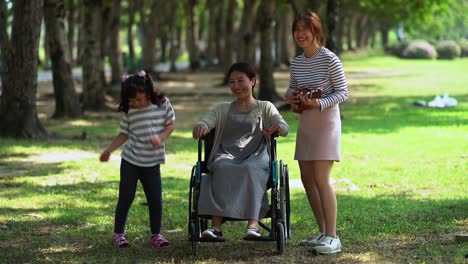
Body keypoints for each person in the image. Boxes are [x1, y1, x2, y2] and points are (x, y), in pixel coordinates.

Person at [192, 62, 289, 240]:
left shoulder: (265, 107)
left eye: (240, 80)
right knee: (220, 167)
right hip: (226, 154)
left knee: (251, 169)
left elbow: (284, 127)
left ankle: (253, 226)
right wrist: (201, 126)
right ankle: (215, 227)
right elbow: (205, 122)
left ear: (253, 81)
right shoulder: (222, 109)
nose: (236, 86)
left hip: (256, 155)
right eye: (232, 82)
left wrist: (278, 127)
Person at [285, 11, 349, 254]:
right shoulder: (296, 62)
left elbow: (343, 93)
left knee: (322, 179)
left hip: (326, 123)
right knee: (307, 180)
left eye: (305, 29)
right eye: (296, 30)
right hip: (306, 123)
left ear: (315, 31)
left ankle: (333, 237)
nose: (300, 34)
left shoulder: (330, 59)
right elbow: (290, 89)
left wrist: (318, 103)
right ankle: (322, 231)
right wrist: (291, 98)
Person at [99, 70, 175, 248]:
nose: (135, 103)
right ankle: (118, 234)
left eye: (138, 99)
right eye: (131, 101)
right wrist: (108, 150)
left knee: (155, 198)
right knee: (126, 197)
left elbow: (171, 125)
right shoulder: (130, 110)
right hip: (131, 160)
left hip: (152, 162)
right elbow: (123, 134)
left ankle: (156, 235)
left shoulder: (162, 104)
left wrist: (161, 137)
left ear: (148, 92)